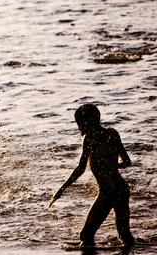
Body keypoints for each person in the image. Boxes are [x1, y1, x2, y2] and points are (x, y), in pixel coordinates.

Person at [49, 103, 134, 247]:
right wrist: (112, 166)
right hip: (121, 189)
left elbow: (81, 168)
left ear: (87, 122)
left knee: (86, 235)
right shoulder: (112, 133)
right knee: (124, 234)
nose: (79, 128)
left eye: (79, 124)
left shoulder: (89, 138)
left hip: (107, 192)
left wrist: (61, 189)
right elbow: (127, 161)